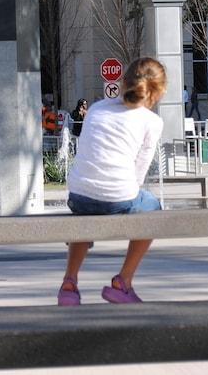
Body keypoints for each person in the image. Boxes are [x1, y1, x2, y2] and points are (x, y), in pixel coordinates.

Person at [58, 57, 167, 306]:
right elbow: (139, 172)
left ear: (122, 82)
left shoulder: (96, 108)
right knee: (153, 209)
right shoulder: (152, 121)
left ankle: (69, 282)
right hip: (118, 196)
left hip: (78, 196)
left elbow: (87, 151)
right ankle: (123, 282)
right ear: (158, 93)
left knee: (84, 216)